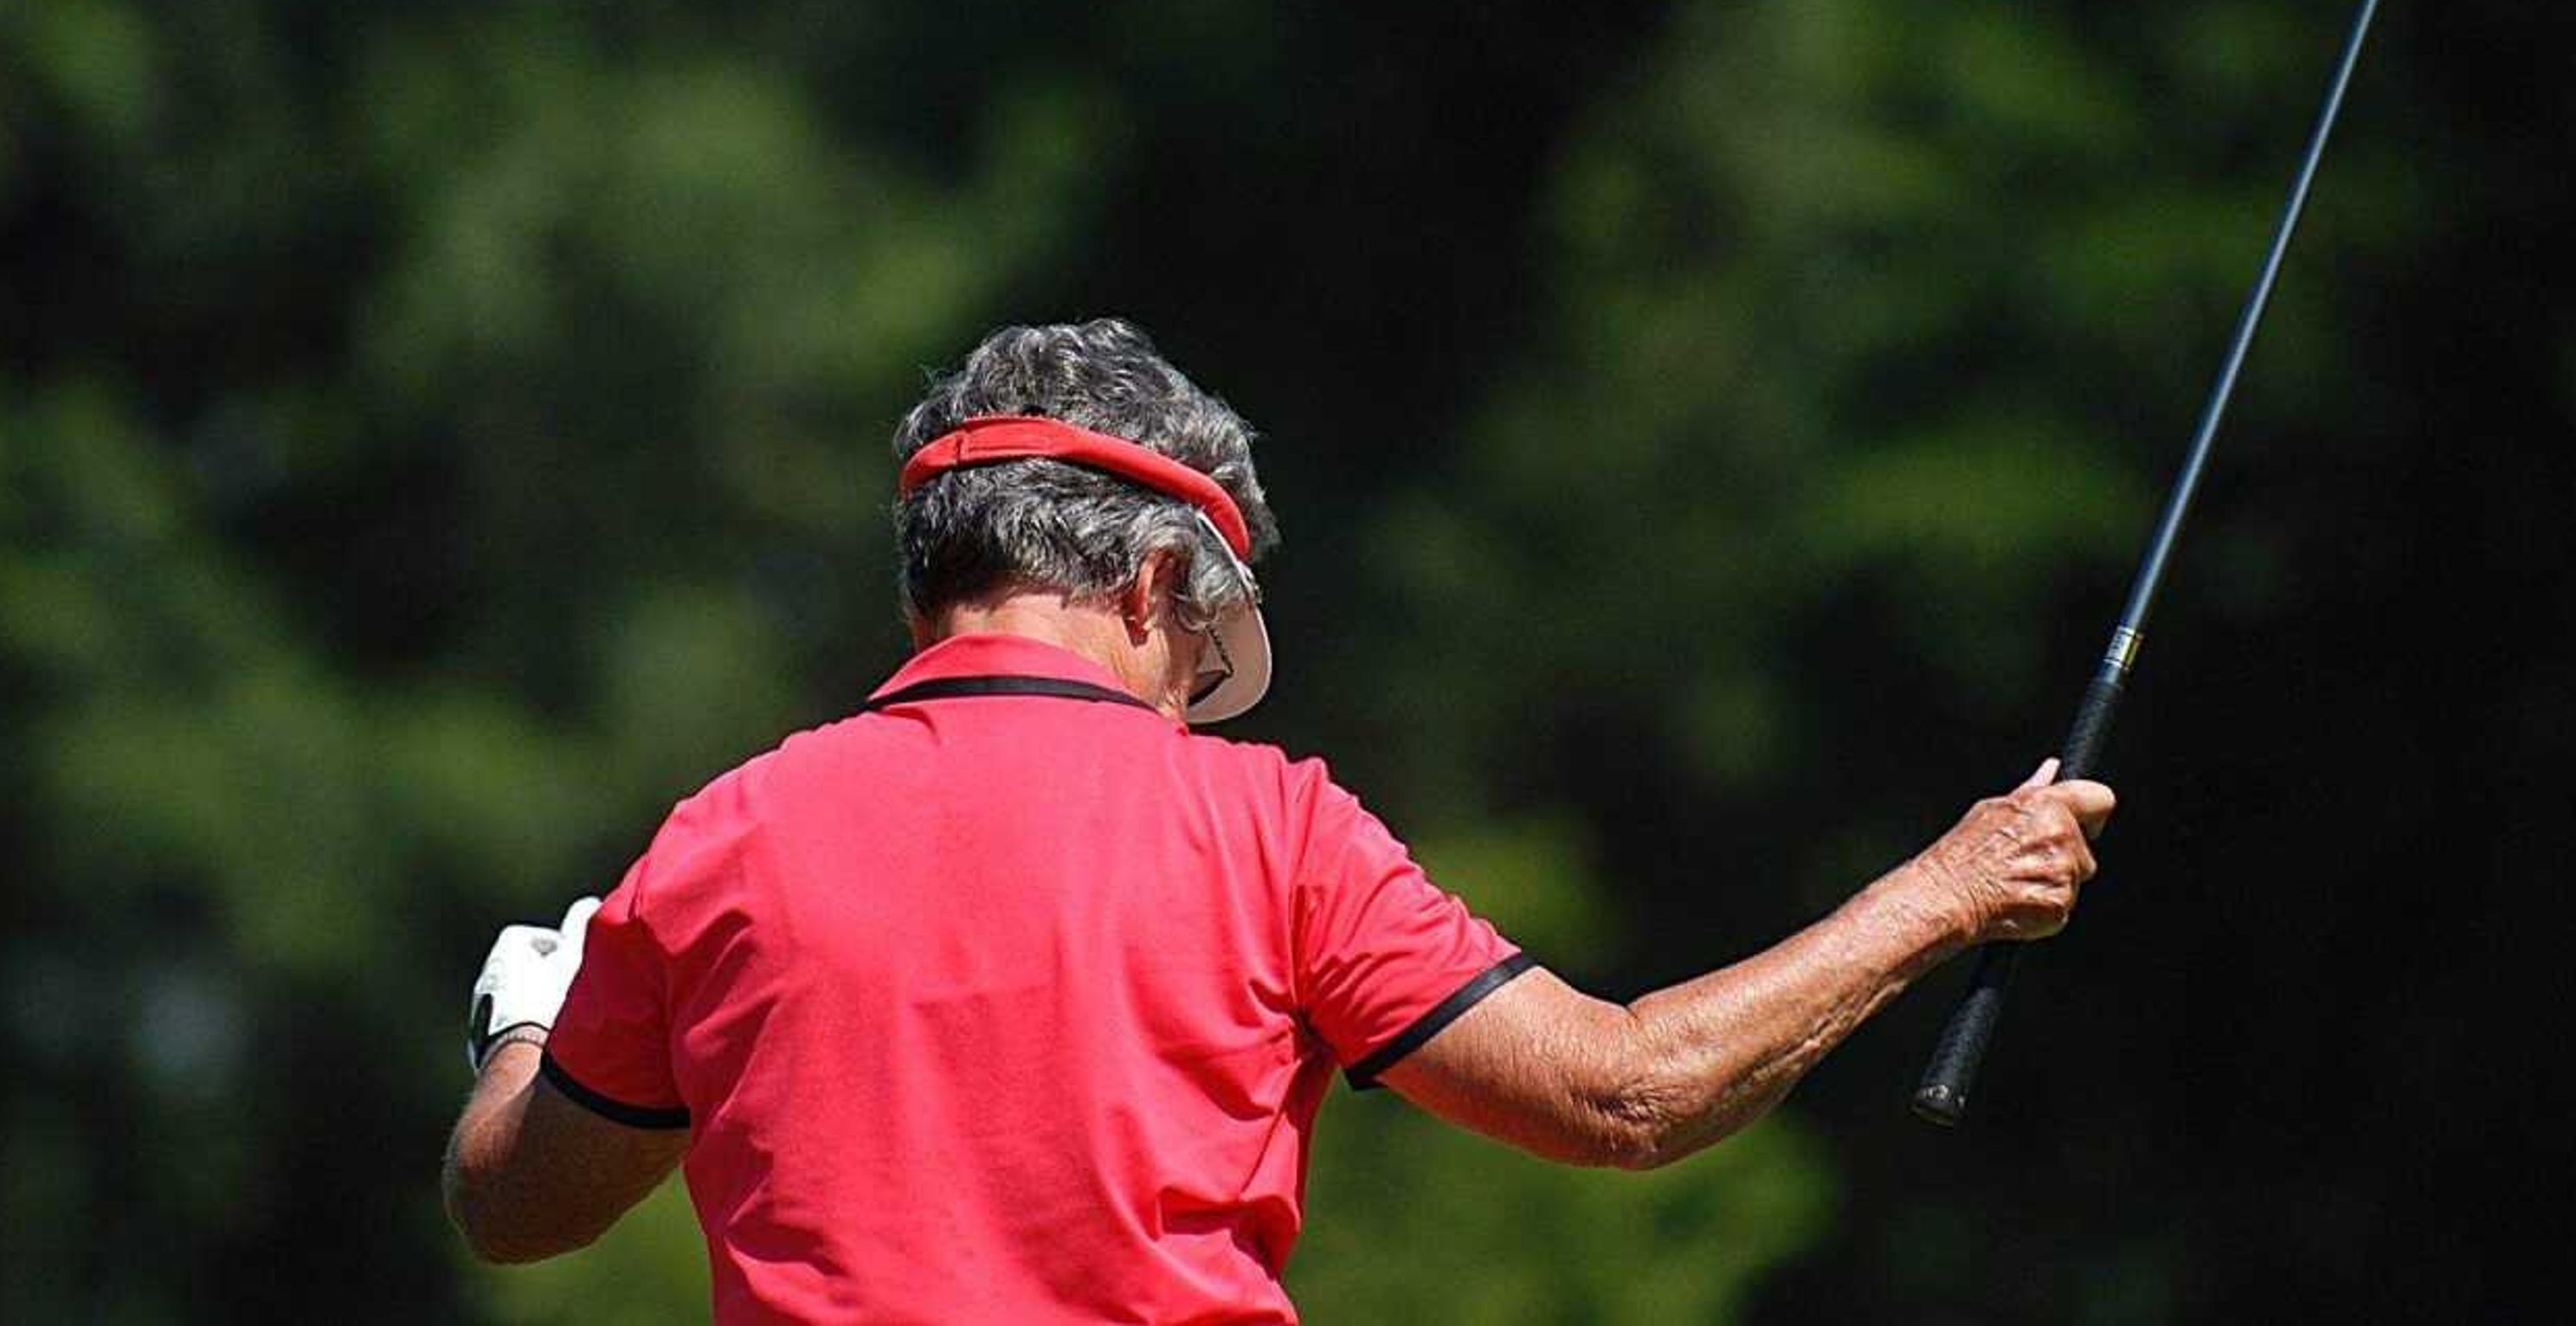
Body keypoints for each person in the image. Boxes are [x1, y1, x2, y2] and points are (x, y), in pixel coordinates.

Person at [443, 319, 2111, 1321]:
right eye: (1203, 647)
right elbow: (1626, 1091)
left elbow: (518, 1205)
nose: (1191, 695)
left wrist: (528, 1024)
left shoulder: (723, 839)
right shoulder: (1270, 830)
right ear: (1160, 575)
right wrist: (1952, 888)